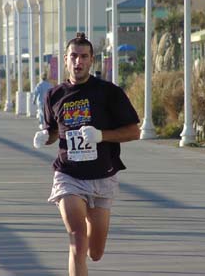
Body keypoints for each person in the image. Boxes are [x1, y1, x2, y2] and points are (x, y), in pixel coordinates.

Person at [33, 32, 140, 276]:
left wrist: (101, 136)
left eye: (83, 57)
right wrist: (44, 137)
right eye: (73, 57)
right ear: (66, 60)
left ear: (92, 60)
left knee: (95, 252)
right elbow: (52, 131)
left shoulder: (108, 92)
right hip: (68, 174)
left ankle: (91, 221)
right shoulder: (54, 95)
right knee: (77, 242)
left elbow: (134, 131)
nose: (78, 62)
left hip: (102, 175)